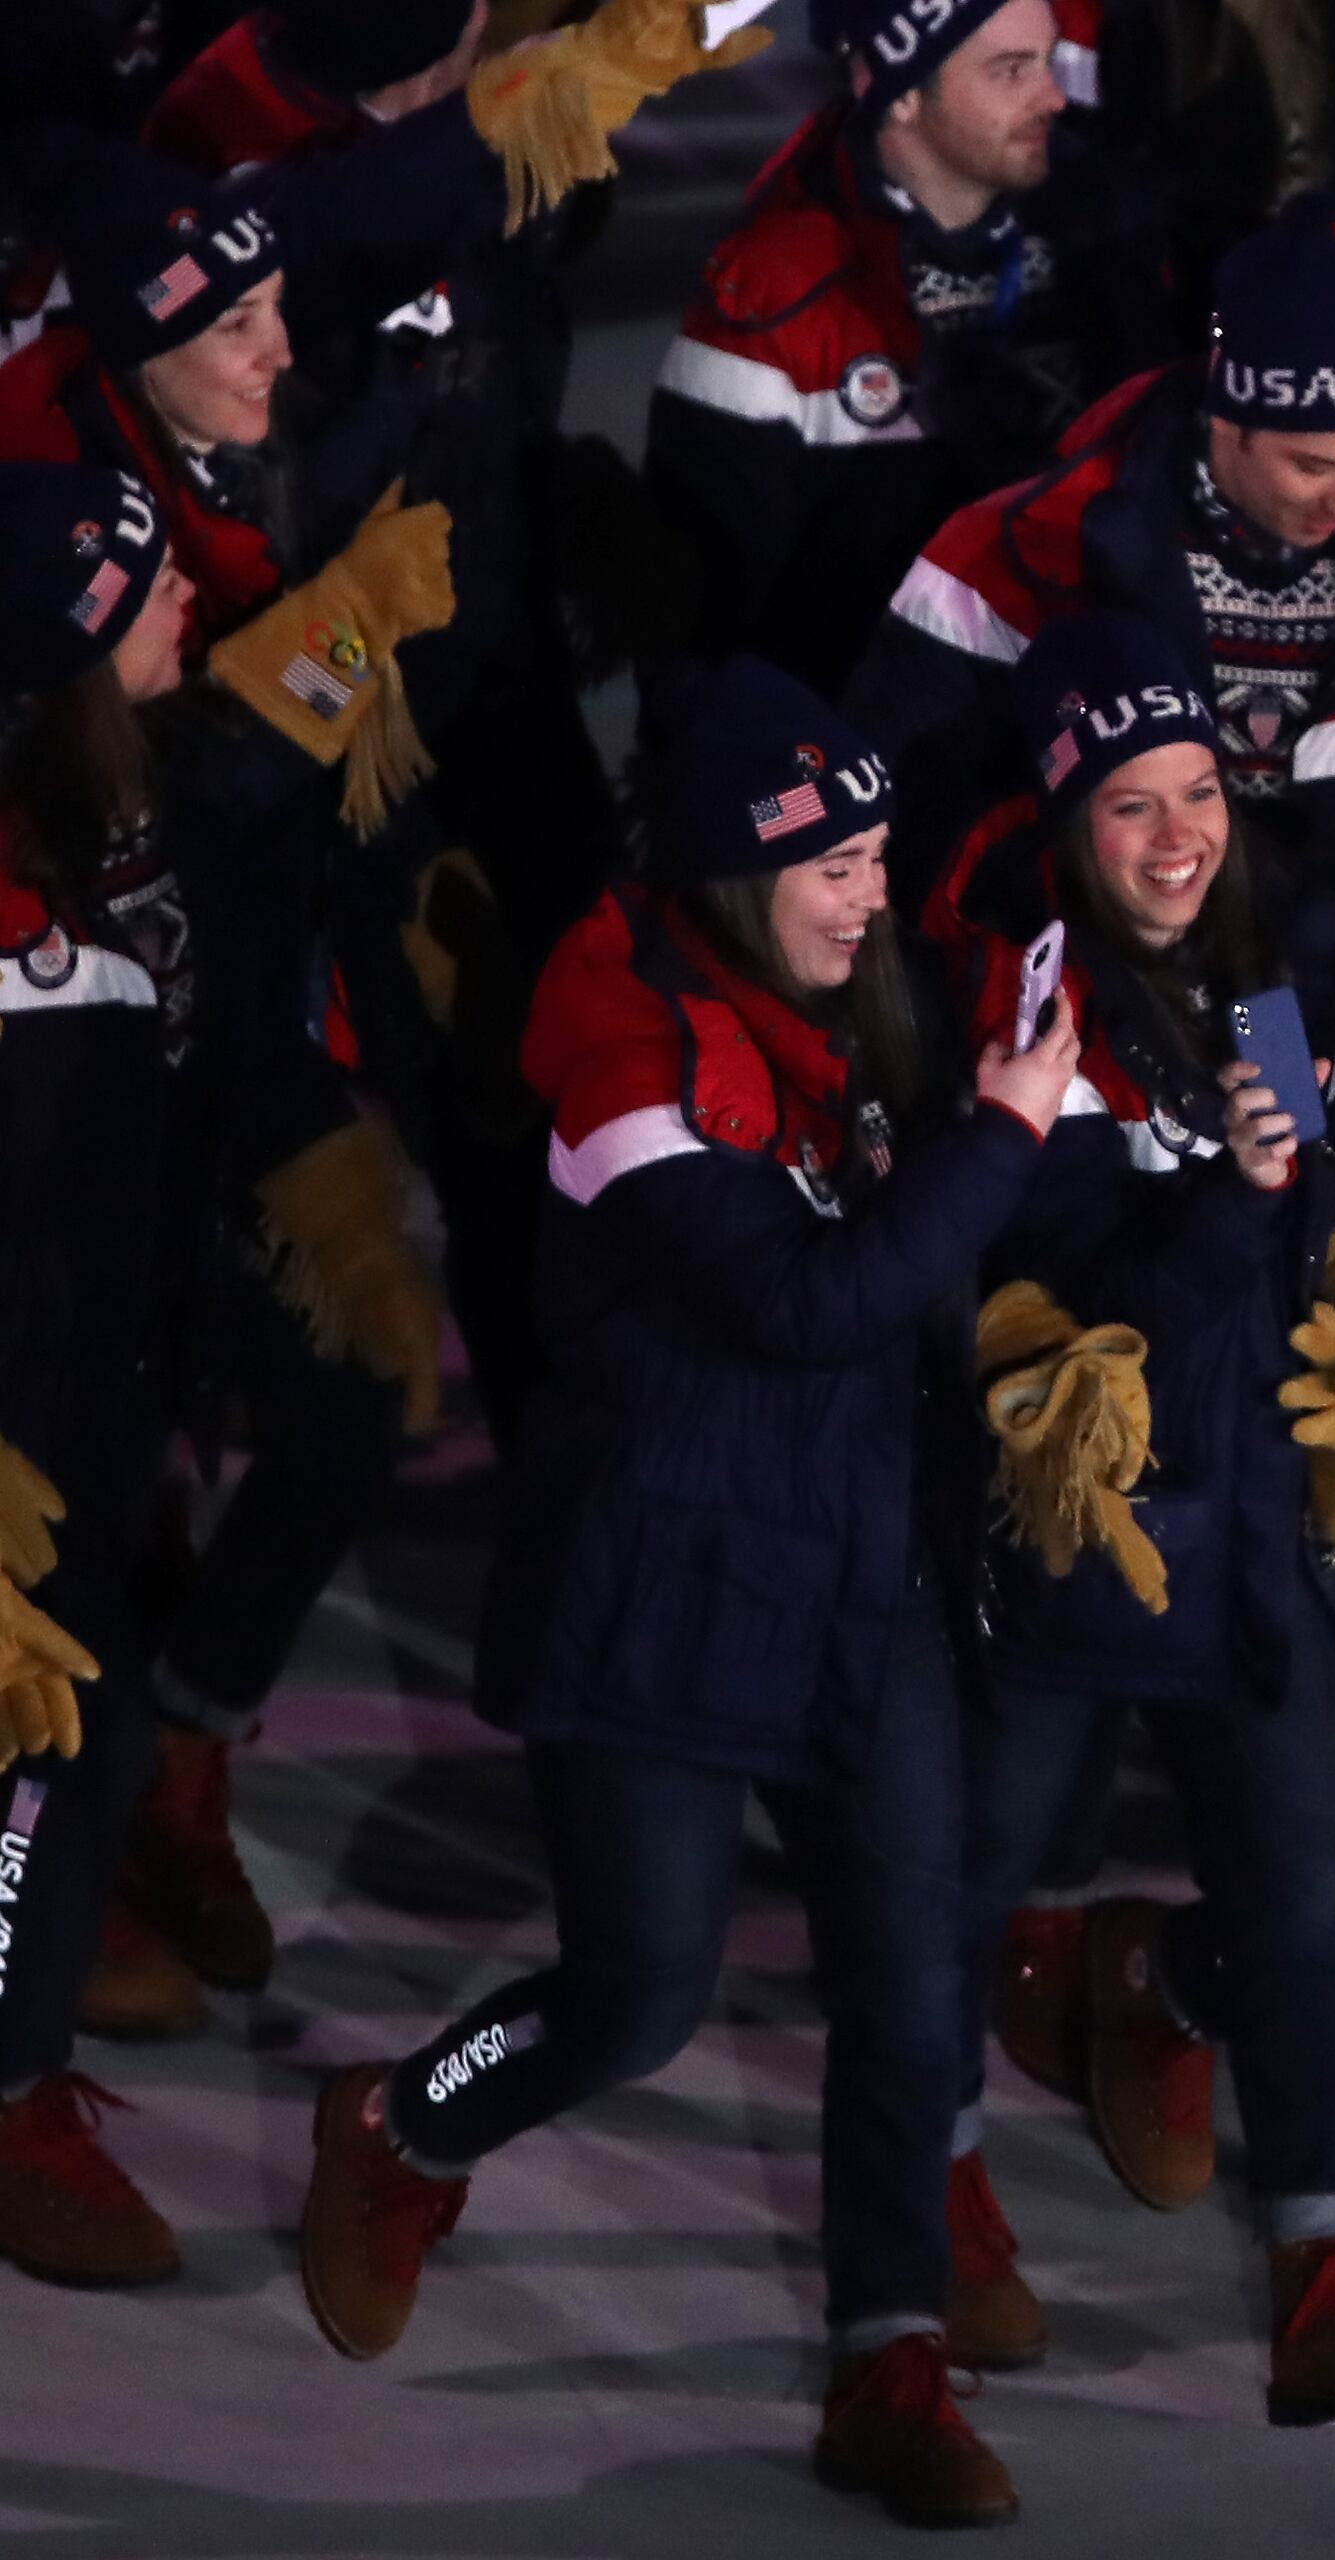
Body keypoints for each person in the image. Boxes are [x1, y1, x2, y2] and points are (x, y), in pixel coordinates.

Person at [290, 662, 1080, 2530]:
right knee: (637, 1997)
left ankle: (890, 2365)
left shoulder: (851, 1004)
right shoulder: (625, 1059)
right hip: (661, 1590)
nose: (865, 893)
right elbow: (804, 1307)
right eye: (829, 865)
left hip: (852, 1586)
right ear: (732, 874)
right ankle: (400, 2126)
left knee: (909, 1994)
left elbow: (908, 1265)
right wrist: (1003, 1137)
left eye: (880, 853)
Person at [922, 608, 1335, 2420]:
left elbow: (1329, 1204)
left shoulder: (1268, 989)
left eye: (1200, 799)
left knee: (1299, 1902)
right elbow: (1076, 1312)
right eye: (1131, 808)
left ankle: (1333, 2258)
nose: (1176, 840)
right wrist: (1241, 1203)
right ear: (1068, 825)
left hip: (1250, 1540)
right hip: (1087, 1552)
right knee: (965, 1888)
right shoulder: (1037, 1005)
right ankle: (928, 2199)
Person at [0, 143, 467, 2023]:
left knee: (354, 1401)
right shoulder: (55, 518)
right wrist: (349, 630)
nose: (286, 350)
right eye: (242, 325)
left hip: (214, 1090)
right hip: (82, 1213)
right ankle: (48, 1941)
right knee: (74, 1602)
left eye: (284, 309)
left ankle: (176, 1776)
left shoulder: (226, 453)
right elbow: (200, 791)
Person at [848, 192, 1335, 893]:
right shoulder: (1014, 557)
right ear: (1226, 421)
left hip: (1309, 981)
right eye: (1313, 467)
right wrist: (1065, 911)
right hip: (1099, 975)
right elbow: (899, 814)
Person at [0, 463, 205, 2286]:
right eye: (151, 591)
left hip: (95, 1378)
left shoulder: (117, 807)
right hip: (12, 1433)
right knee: (68, 1740)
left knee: (96, 1732)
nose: (188, 603)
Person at [650, 0, 1180, 697]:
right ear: (898, 91)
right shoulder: (776, 301)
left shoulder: (1110, 234)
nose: (1053, 95)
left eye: (1047, 61)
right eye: (1010, 71)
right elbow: (702, 649)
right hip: (884, 769)